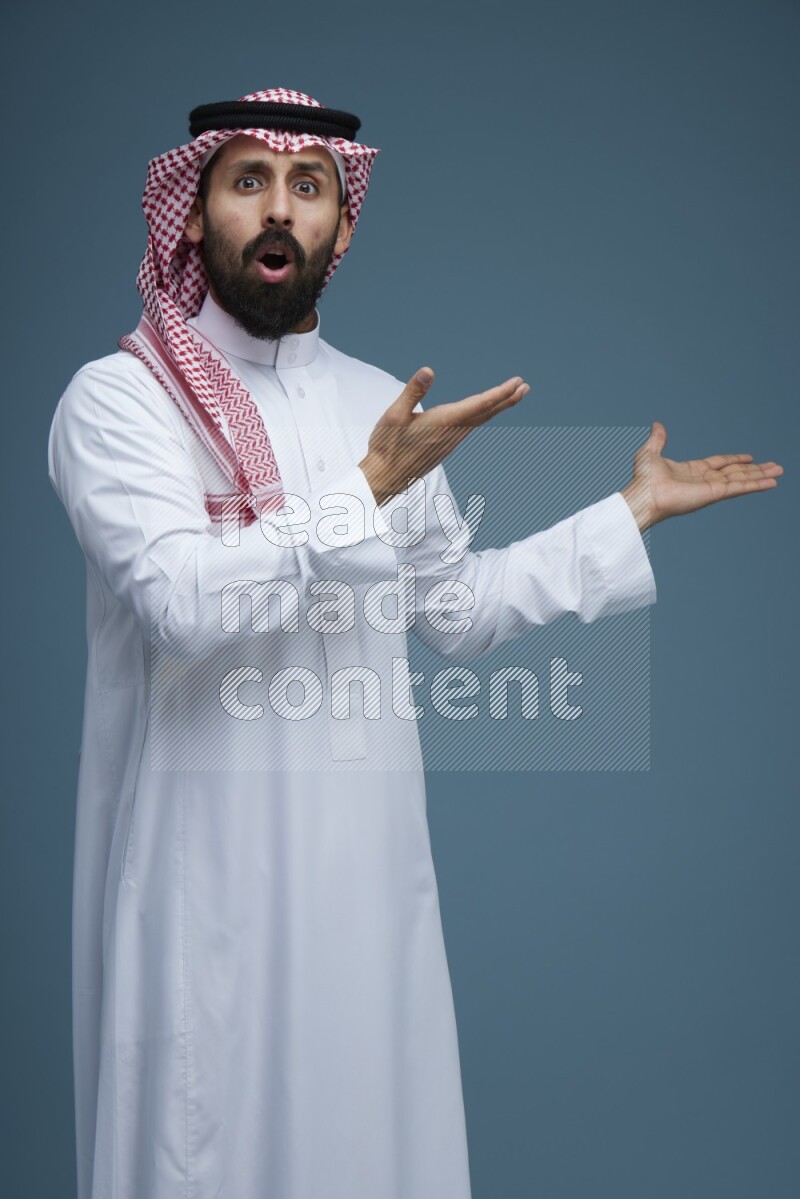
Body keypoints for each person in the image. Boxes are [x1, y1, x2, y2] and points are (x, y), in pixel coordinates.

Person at [47, 87, 783, 1199]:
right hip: (208, 895)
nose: (279, 210)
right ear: (192, 215)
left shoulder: (377, 405)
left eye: (308, 187)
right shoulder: (119, 404)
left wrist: (618, 515)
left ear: (344, 226)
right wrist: (362, 491)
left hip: (364, 894)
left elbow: (456, 609)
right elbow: (180, 602)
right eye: (248, 182)